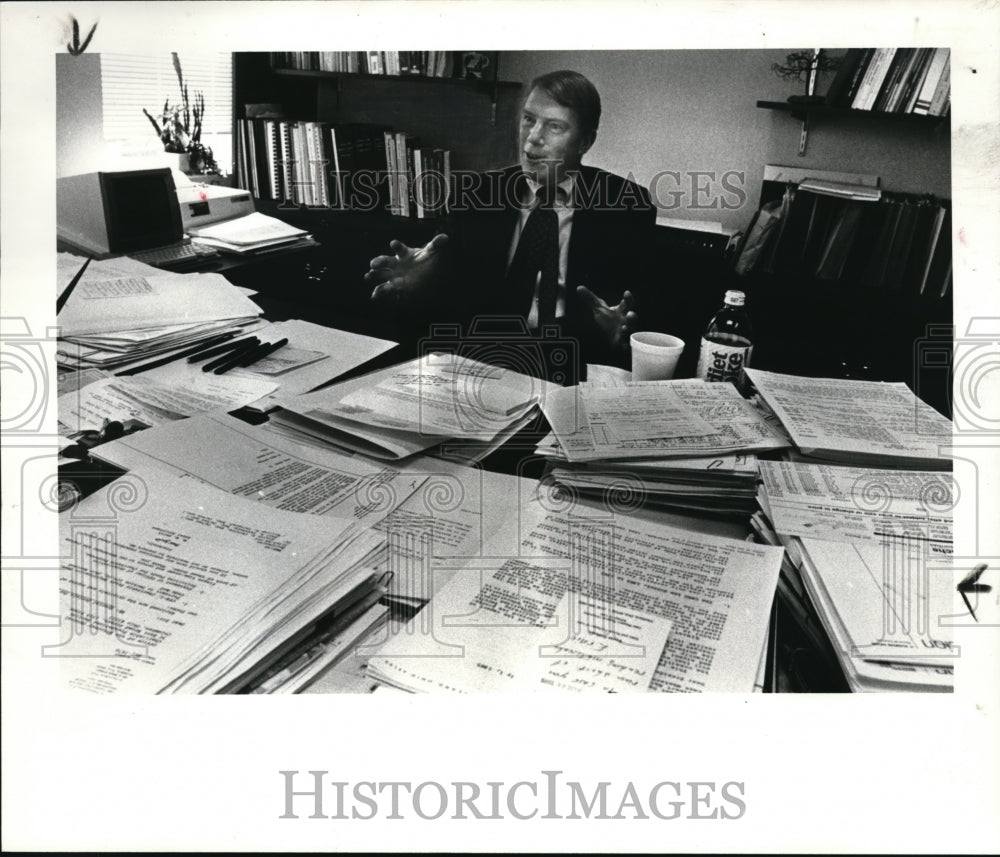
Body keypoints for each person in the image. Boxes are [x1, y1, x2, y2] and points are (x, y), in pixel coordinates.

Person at [365, 69, 656, 376]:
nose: (533, 137)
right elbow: (443, 302)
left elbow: (643, 311)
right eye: (529, 119)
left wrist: (620, 335)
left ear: (584, 141)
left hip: (571, 364)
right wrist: (419, 287)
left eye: (554, 126)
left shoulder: (626, 206)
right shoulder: (477, 195)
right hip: (481, 361)